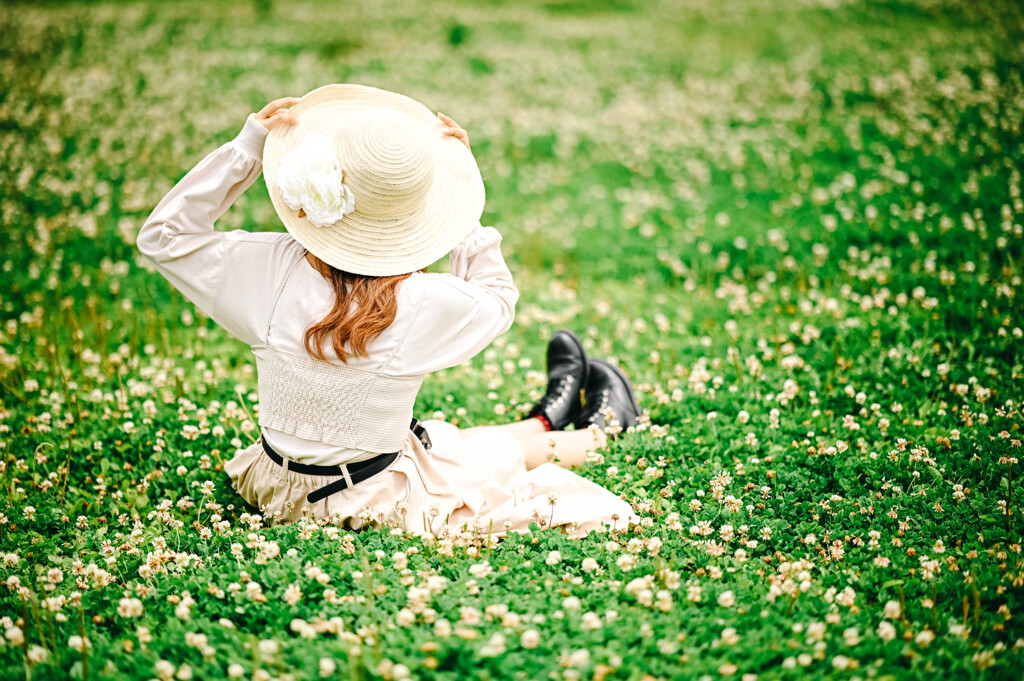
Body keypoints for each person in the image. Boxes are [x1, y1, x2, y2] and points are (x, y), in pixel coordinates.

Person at [138, 84, 643, 539]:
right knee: (485, 456)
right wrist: (467, 214)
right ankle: (602, 430)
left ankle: (547, 417)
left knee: (452, 444)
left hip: (278, 488)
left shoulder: (267, 269)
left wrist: (246, 150)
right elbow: (496, 299)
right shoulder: (422, 302)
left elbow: (165, 236)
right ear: (420, 215)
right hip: (368, 499)